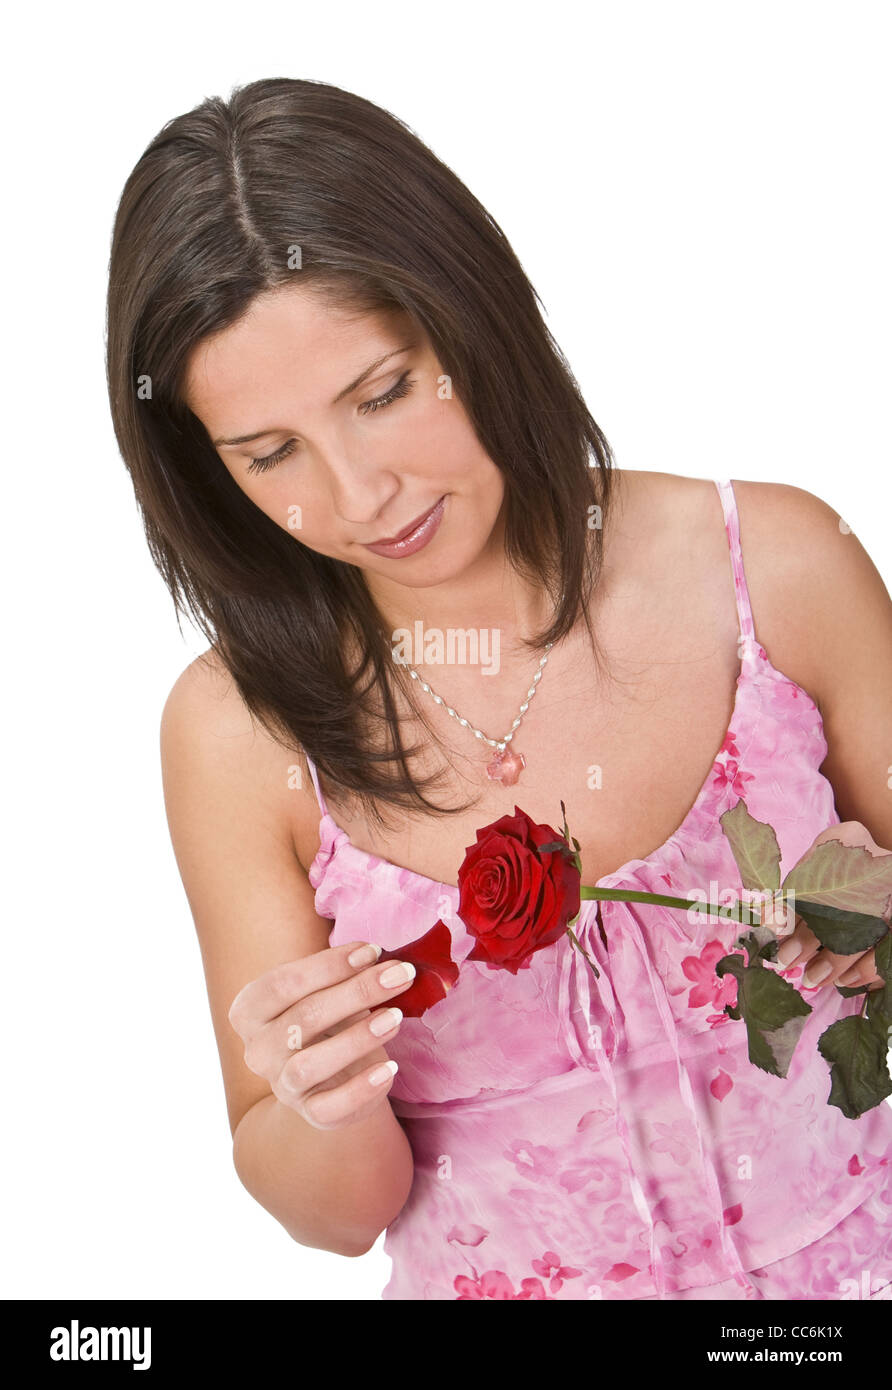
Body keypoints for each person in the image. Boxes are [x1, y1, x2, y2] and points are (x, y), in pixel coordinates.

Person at [106, 77, 892, 1300]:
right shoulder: (237, 731)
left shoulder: (778, 567)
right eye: (271, 454)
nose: (362, 492)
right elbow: (333, 1216)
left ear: (476, 314)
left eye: (383, 393)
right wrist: (321, 1099)